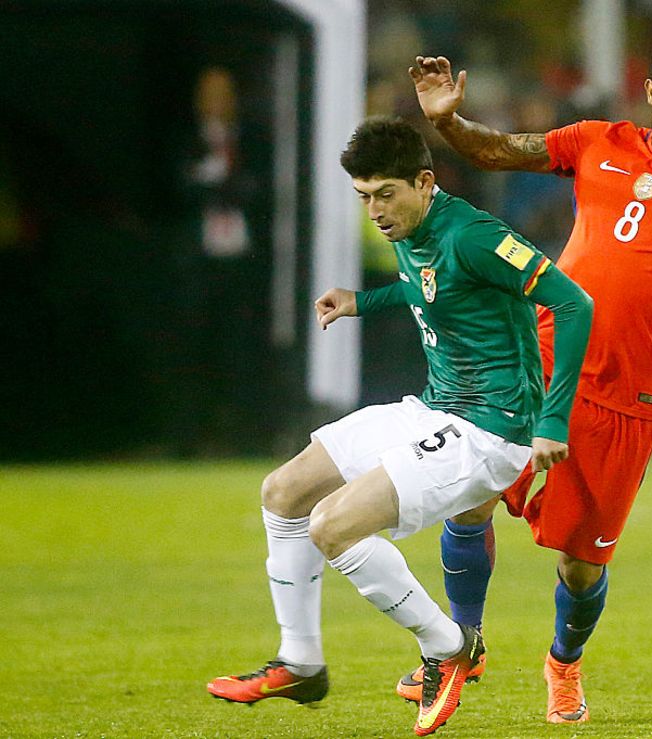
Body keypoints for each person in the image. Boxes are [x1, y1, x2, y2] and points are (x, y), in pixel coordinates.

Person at [400, 35, 652, 724]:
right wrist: (445, 122)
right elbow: (498, 150)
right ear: (650, 91)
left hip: (627, 396)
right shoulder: (596, 141)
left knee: (581, 566)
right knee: (468, 496)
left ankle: (564, 661)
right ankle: (460, 644)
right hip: (541, 360)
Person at [206, 116, 594, 737]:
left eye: (385, 194)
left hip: (491, 433)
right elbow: (428, 289)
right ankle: (301, 660)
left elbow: (575, 304)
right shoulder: (410, 226)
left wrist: (552, 420)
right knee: (283, 492)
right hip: (435, 408)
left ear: (424, 181)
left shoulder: (474, 235)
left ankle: (448, 647)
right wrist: (364, 300)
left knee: (331, 525)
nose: (375, 211)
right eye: (364, 197)